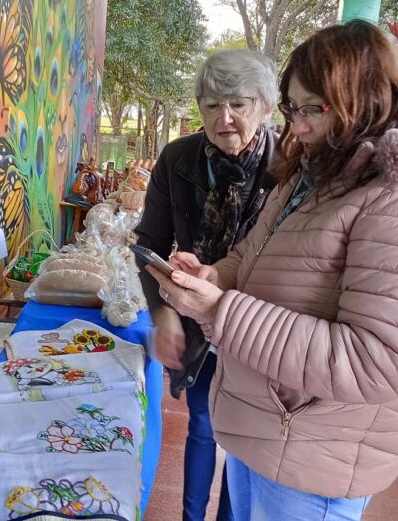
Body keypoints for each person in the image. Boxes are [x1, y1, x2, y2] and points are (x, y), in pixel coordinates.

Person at [146, 20, 398, 520]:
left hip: (316, 452)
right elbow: (253, 255)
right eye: (293, 109)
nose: (297, 126)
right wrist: (217, 276)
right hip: (271, 426)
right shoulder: (315, 174)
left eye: (313, 108)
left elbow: (377, 360)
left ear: (367, 98)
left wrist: (222, 310)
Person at [134, 49, 278, 521]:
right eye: (212, 105)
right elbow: (149, 243)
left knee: (243, 442)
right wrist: (165, 314)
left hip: (261, 327)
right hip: (197, 323)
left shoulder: (290, 169)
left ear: (266, 106)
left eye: (238, 103)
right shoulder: (178, 159)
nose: (226, 118)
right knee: (202, 426)